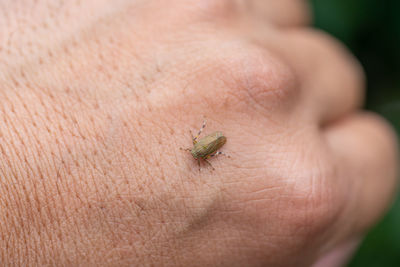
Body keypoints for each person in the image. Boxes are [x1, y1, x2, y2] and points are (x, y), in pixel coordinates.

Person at [0, 0, 397, 266]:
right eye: (197, 151)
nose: (196, 152)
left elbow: (206, 145)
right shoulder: (201, 150)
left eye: (197, 151)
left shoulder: (203, 148)